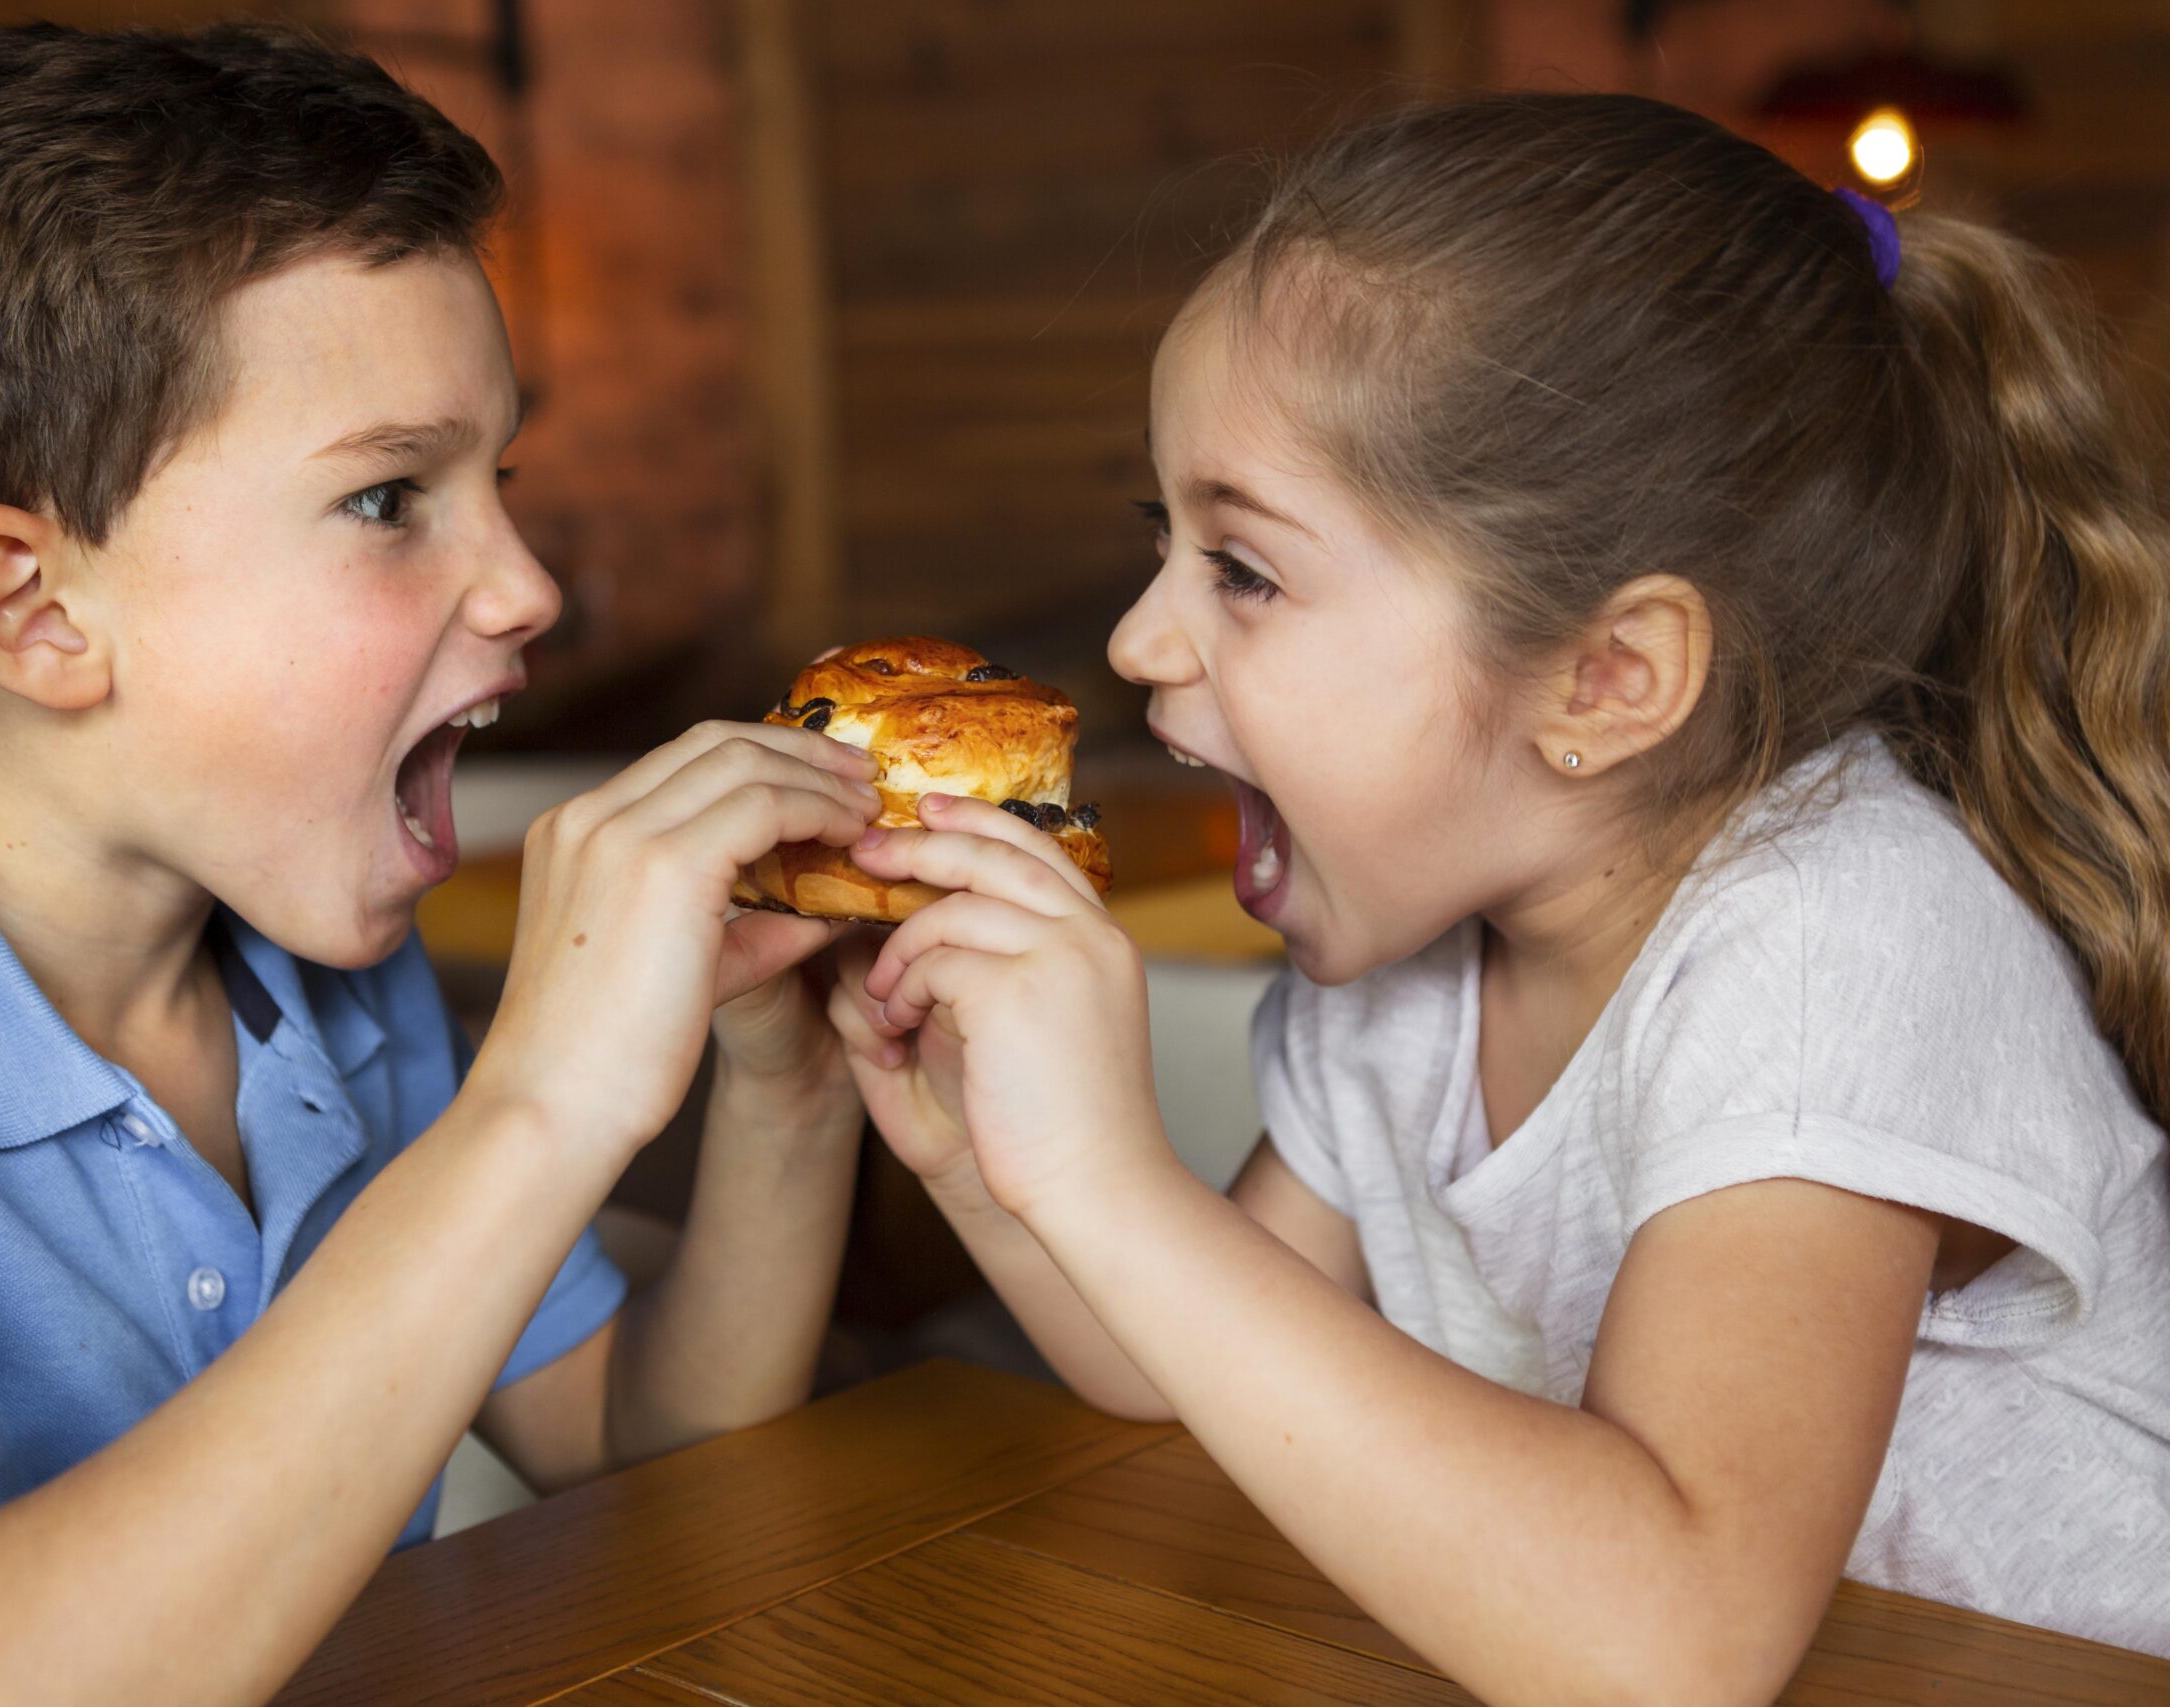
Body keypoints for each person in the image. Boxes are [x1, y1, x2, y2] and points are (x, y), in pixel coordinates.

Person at [830, 92, 2170, 1699]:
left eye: (1242, 570)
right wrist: (1008, 1165)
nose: (1137, 641)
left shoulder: (1840, 939)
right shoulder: (1407, 973)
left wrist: (1113, 1185)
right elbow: (1185, 1369)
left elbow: (1670, 1642)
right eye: (1160, 538)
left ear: (1606, 679)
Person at [0, 24, 872, 1706]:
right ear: (34, 612)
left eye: (497, 480)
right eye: (386, 500)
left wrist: (784, 1093)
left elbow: (628, 1443)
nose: (527, 587)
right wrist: (538, 1110)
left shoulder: (330, 984)